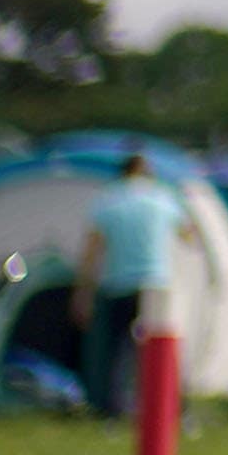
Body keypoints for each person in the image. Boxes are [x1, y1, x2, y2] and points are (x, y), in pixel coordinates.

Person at [79, 151, 183, 417]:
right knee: (159, 349)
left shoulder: (108, 200)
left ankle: (112, 410)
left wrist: (83, 292)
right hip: (155, 282)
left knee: (116, 352)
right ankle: (167, 408)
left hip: (118, 282)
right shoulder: (162, 197)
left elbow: (93, 249)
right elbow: (188, 234)